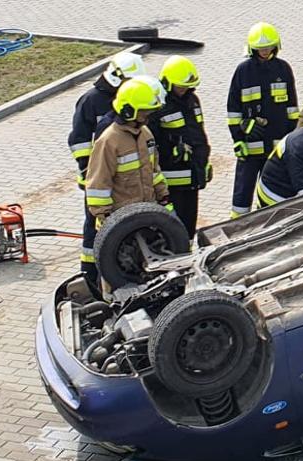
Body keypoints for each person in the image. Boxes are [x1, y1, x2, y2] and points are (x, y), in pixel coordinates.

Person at [83, 78, 172, 296]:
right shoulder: (109, 141)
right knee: (118, 278)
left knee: (149, 275)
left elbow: (154, 172)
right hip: (119, 224)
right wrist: (107, 220)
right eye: (143, 112)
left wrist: (164, 197)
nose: (146, 117)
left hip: (147, 218)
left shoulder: (146, 135)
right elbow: (96, 186)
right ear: (128, 110)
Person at [68, 52, 144, 269]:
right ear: (117, 77)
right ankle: (90, 272)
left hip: (123, 177)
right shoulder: (91, 101)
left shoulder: (129, 98)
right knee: (95, 228)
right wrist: (86, 169)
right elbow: (79, 140)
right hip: (98, 179)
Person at [226, 23, 299, 218]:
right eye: (261, 48)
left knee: (274, 192)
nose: (265, 51)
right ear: (252, 48)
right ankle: (236, 227)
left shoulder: (283, 69)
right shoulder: (243, 71)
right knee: (242, 197)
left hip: (276, 148)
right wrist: (239, 138)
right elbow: (233, 110)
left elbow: (292, 109)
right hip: (250, 149)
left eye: (268, 47)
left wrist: (291, 140)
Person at [150, 56, 211, 236]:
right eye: (179, 86)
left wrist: (203, 162)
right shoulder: (159, 106)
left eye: (187, 86)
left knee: (189, 225)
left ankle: (188, 254)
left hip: (192, 177)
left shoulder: (193, 101)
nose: (183, 90)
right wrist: (172, 152)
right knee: (172, 228)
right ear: (167, 82)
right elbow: (152, 143)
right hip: (171, 182)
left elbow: (199, 134)